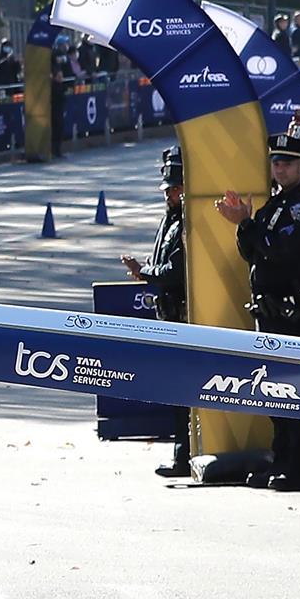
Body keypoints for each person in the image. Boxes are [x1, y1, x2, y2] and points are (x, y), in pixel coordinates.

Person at [217, 131, 300, 491]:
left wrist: (248, 226)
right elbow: (252, 251)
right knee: (274, 391)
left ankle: (298, 469)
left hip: (292, 309)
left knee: (294, 391)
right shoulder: (275, 204)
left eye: (287, 164)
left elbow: (279, 250)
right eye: (275, 163)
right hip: (269, 309)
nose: (279, 170)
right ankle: (281, 461)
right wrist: (245, 224)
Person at [124, 147, 189, 478]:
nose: (168, 195)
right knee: (176, 391)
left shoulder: (187, 223)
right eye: (166, 191)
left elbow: (176, 270)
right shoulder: (170, 219)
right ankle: (181, 453)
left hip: (183, 314)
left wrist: (145, 271)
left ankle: (185, 455)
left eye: (173, 189)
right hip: (168, 313)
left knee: (184, 389)